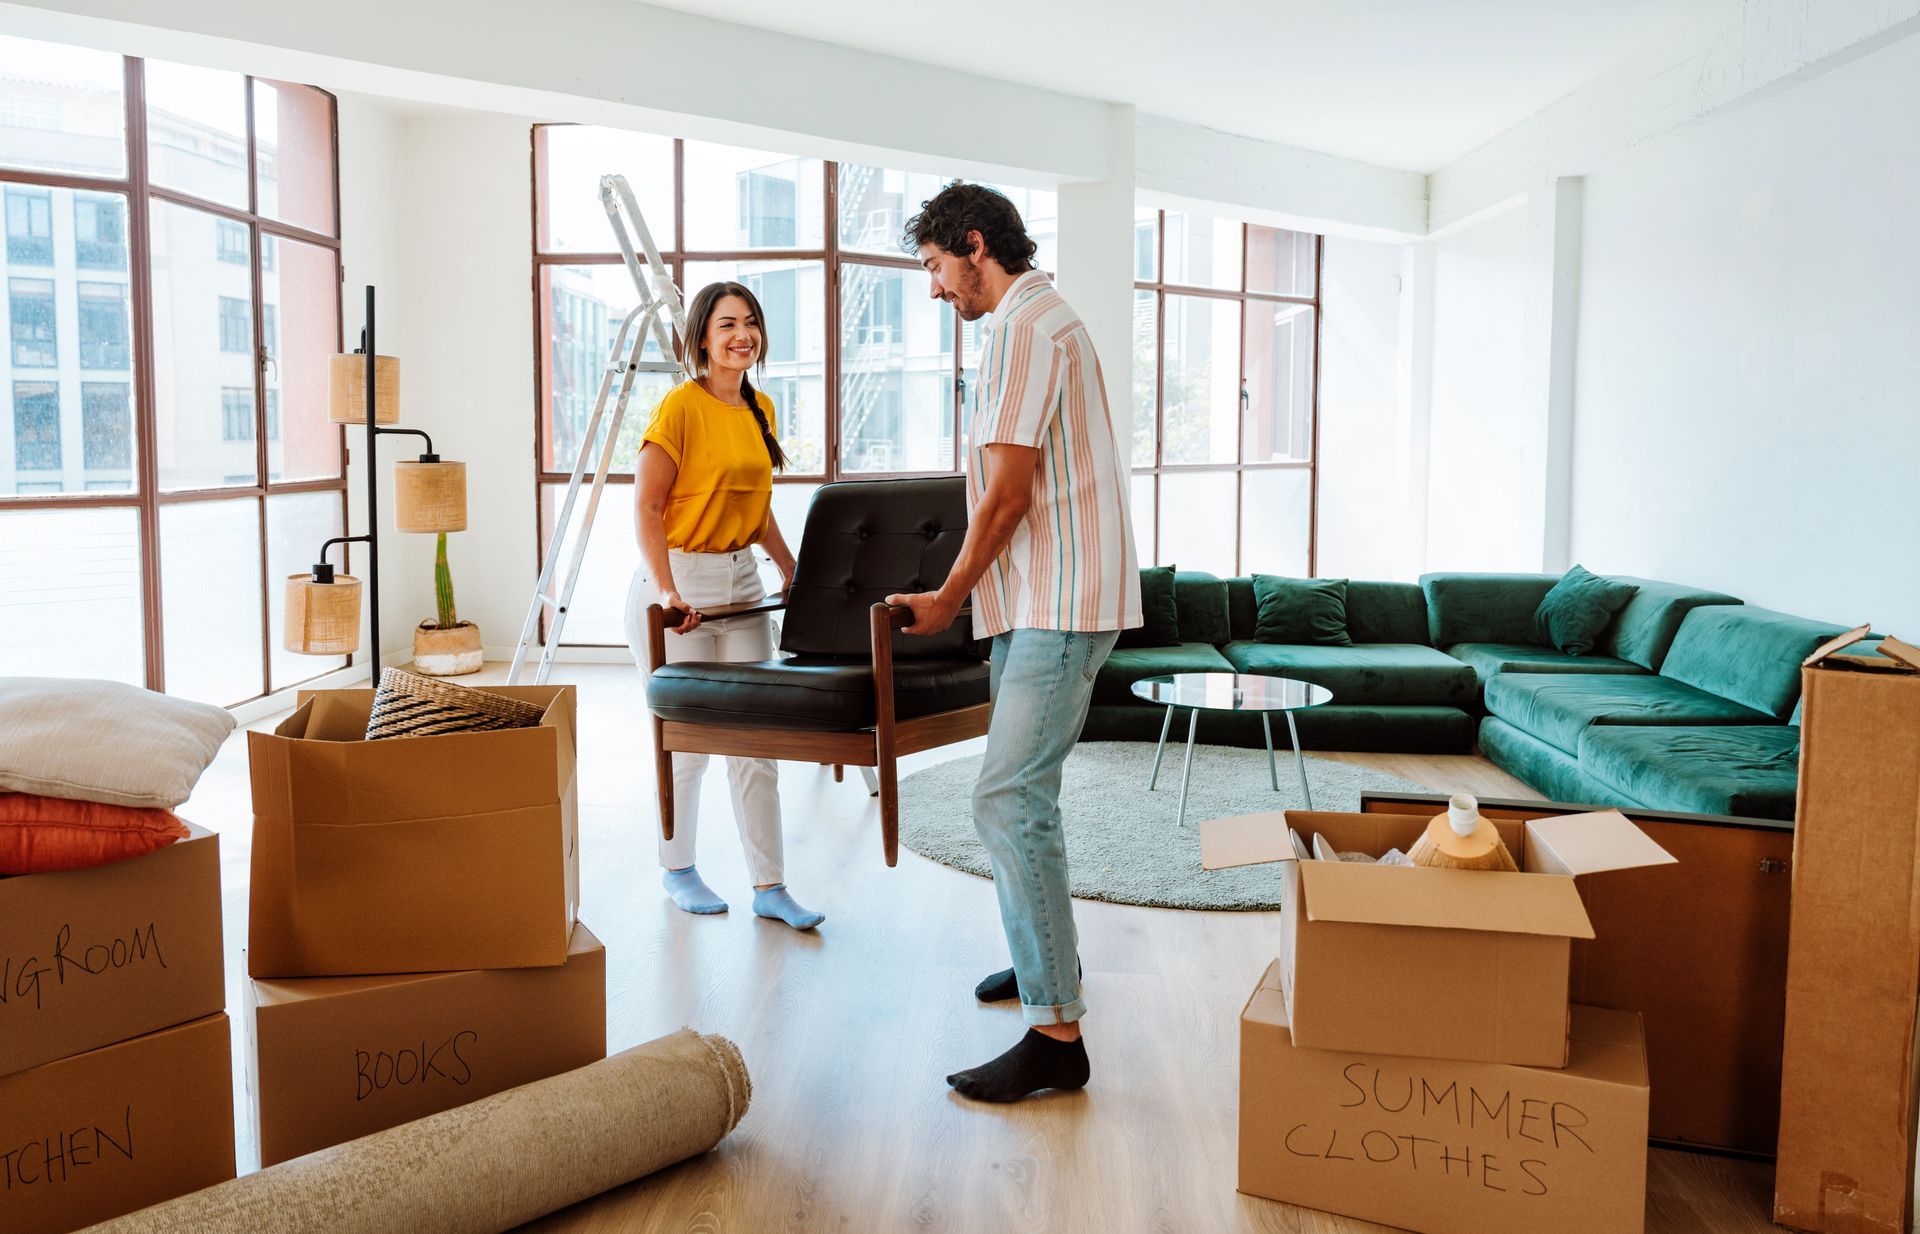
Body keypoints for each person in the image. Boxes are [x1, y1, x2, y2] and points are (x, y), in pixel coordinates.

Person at [889, 184, 1141, 1101]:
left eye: (932, 267)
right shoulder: (1044, 320)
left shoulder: (1023, 331)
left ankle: (1057, 1035)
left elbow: (1008, 495)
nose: (933, 290)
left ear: (973, 244)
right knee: (1024, 796)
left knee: (1007, 797)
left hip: (1057, 602)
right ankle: (1043, 969)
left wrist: (950, 597)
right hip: (1045, 596)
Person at [623, 280, 823, 931]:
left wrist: (793, 567)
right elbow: (648, 506)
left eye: (751, 323)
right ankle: (677, 869)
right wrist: (666, 591)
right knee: (687, 744)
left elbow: (753, 508)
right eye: (728, 324)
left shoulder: (758, 406)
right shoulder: (681, 407)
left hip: (741, 584)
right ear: (702, 338)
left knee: (755, 744)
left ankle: (770, 884)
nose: (743, 334)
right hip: (679, 584)